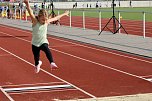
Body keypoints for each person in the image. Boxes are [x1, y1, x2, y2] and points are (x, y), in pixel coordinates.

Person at [24, 0, 69, 73]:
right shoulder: (35, 21)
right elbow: (30, 12)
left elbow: (56, 18)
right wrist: (27, 3)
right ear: (39, 17)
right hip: (35, 43)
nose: (44, 21)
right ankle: (37, 64)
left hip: (43, 41)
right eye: (42, 19)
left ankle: (52, 63)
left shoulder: (46, 21)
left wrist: (64, 13)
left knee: (46, 48)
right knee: (36, 58)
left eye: (45, 19)